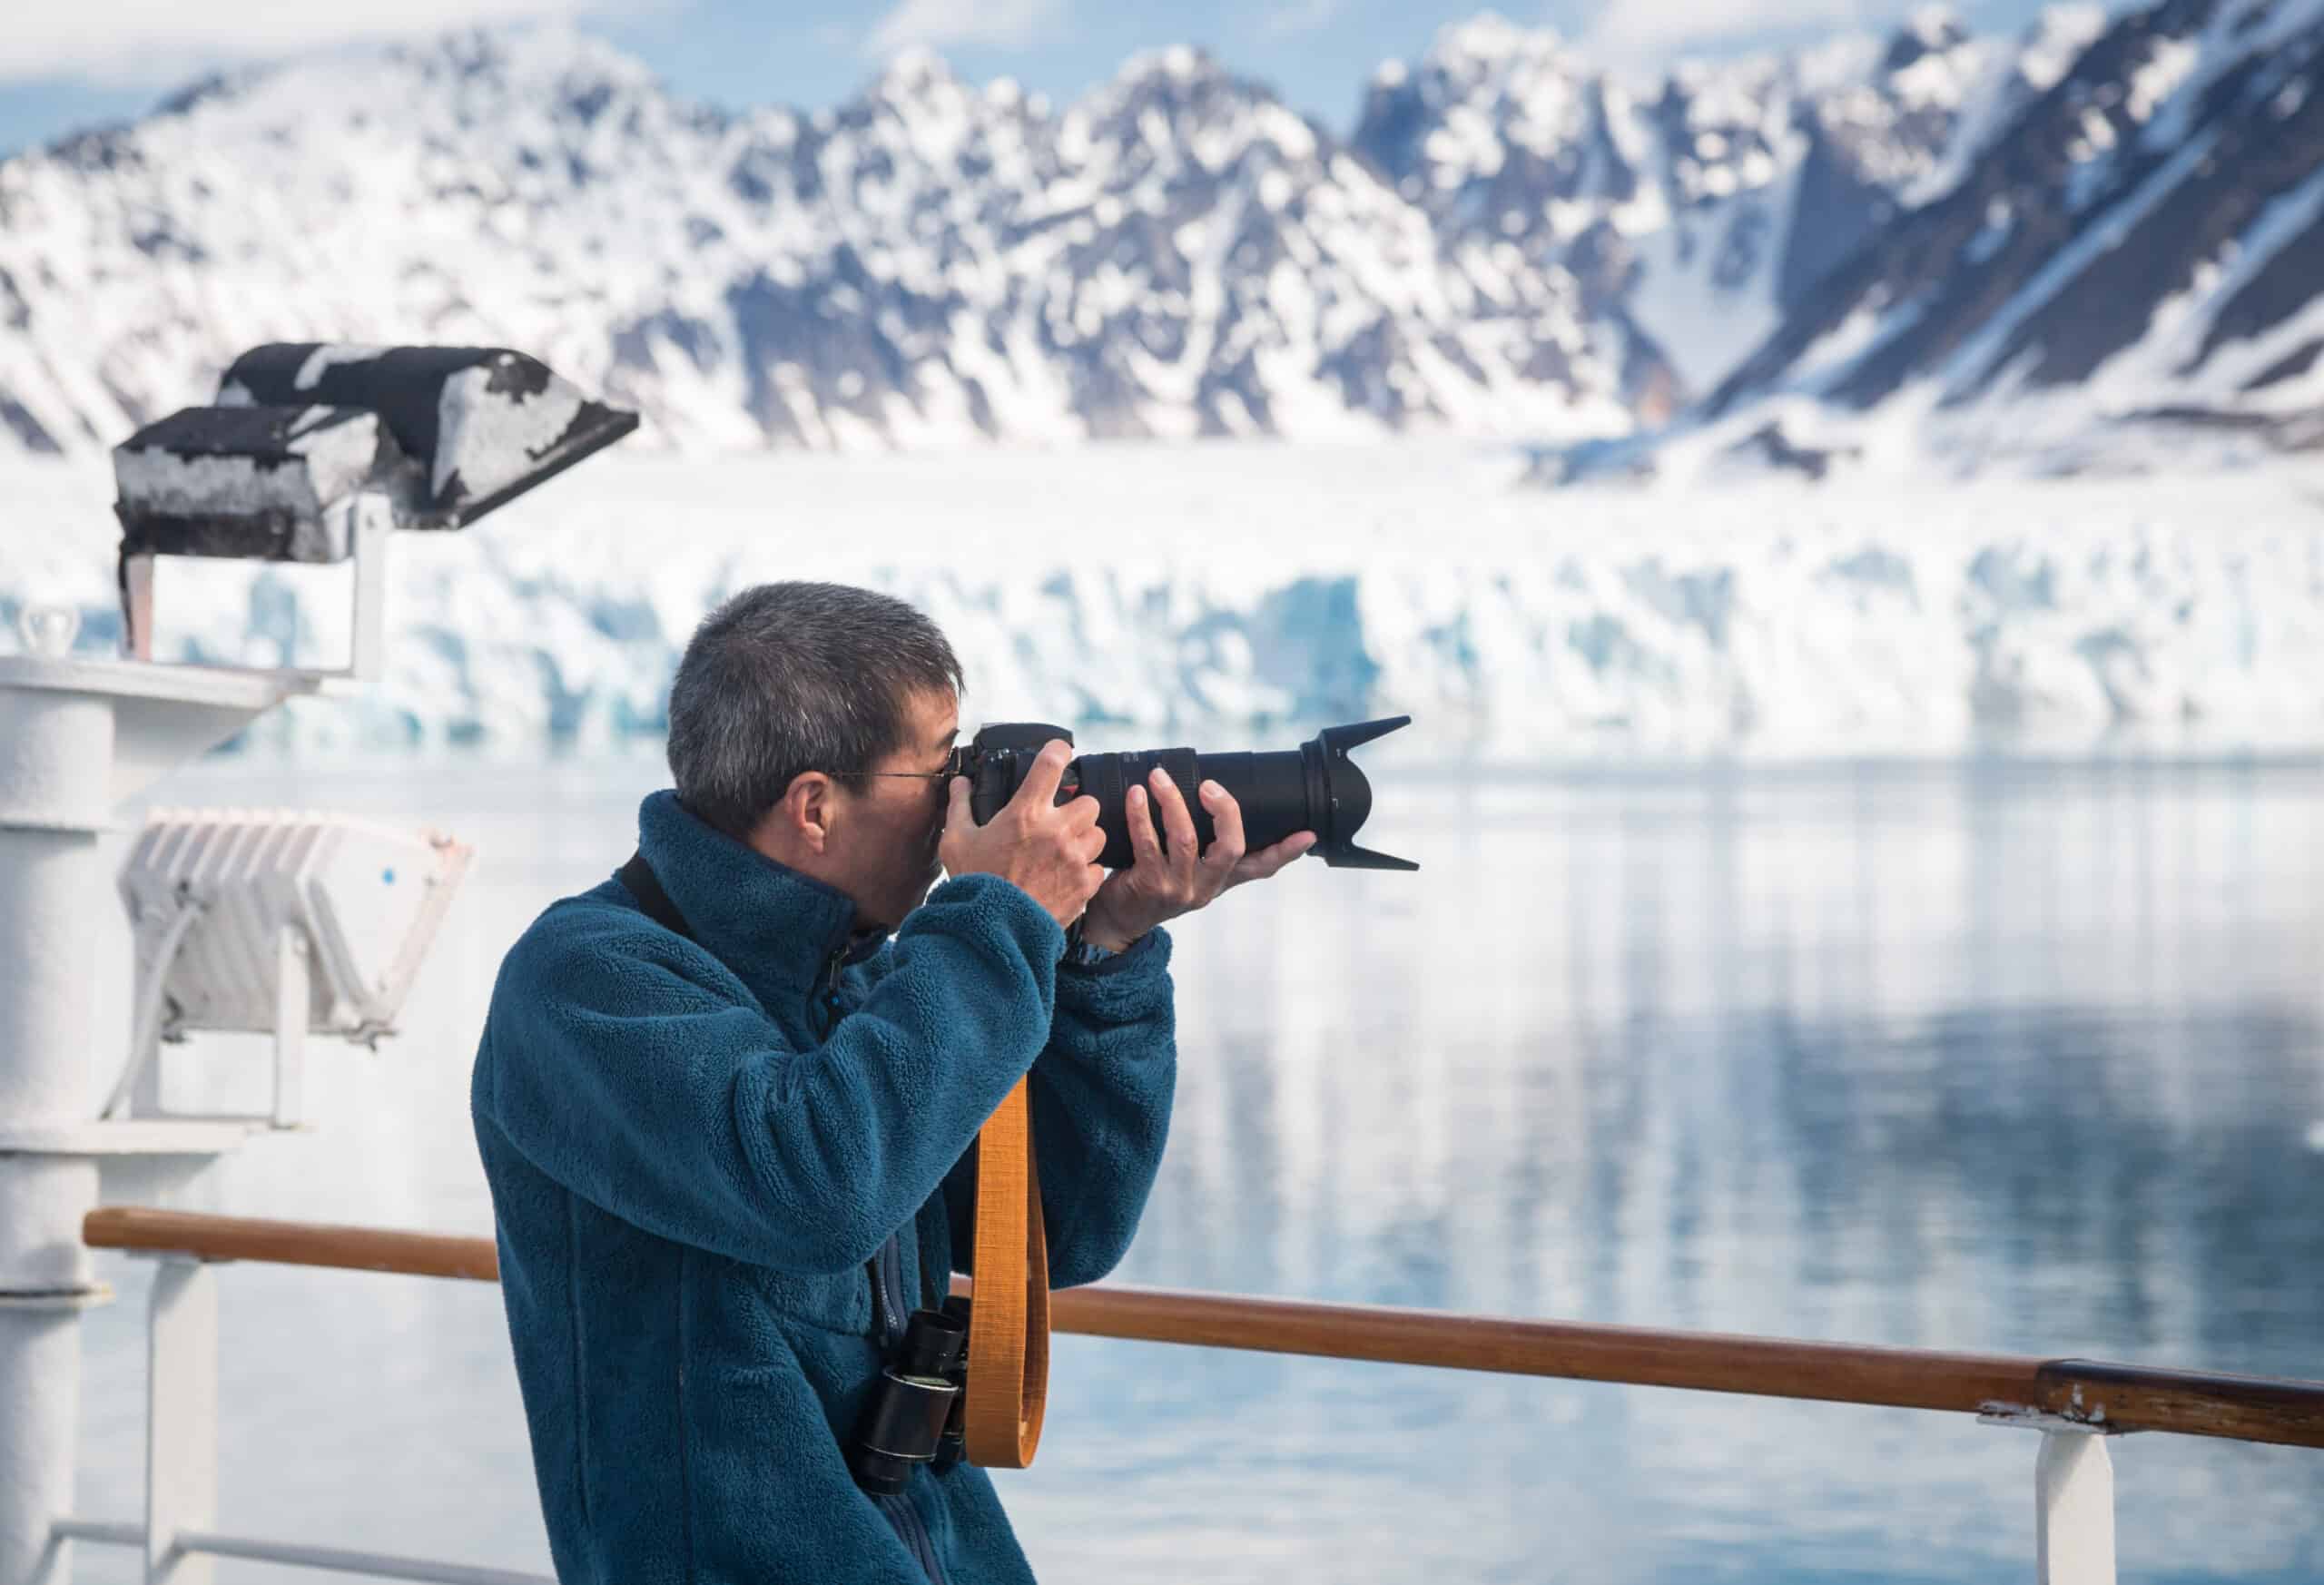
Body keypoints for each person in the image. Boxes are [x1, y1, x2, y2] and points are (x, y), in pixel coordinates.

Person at [470, 581, 1315, 1585]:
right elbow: (818, 1191)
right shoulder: (590, 981)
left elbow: (1062, 1229)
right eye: (942, 771)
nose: (969, 805)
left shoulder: (869, 975)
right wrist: (1001, 917)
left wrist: (1102, 954)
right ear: (815, 806)